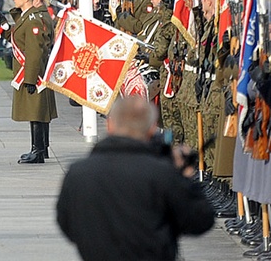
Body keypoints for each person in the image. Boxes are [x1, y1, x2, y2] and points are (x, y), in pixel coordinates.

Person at [56, 96, 214, 261]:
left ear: (109, 125)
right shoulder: (162, 173)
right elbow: (201, 220)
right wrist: (186, 180)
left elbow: (67, 224)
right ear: (152, 128)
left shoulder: (79, 173)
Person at [0, 0, 57, 164]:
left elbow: (33, 50)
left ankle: (38, 151)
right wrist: (2, 25)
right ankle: (39, 148)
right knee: (35, 112)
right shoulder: (27, 16)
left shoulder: (33, 19)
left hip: (33, 71)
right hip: (30, 70)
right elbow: (17, 38)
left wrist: (30, 78)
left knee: (35, 112)